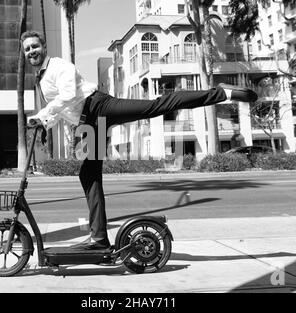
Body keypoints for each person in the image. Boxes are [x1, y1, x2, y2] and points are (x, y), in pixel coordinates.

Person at [21, 30, 258, 250]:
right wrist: (44, 123)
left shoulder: (58, 66)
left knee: (155, 106)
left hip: (98, 107)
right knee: (88, 175)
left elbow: (69, 95)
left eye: (34, 46)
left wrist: (41, 116)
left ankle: (222, 93)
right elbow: (64, 109)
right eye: (27, 49)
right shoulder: (41, 78)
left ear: (44, 46)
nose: (31, 51)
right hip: (87, 122)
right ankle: (99, 238)